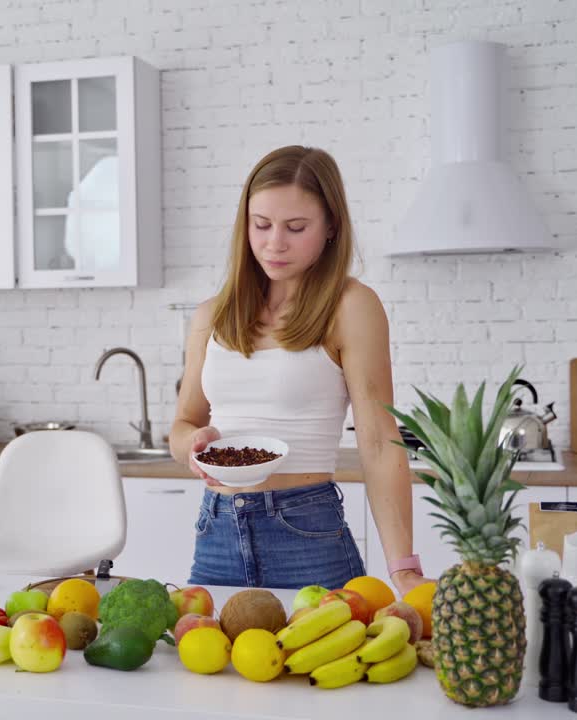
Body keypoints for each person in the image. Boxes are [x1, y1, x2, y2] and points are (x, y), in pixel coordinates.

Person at [169, 145, 428, 596]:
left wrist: (403, 568)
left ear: (331, 227)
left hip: (306, 533)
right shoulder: (212, 315)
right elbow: (183, 425)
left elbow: (378, 443)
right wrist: (193, 447)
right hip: (216, 533)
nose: (275, 243)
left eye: (296, 227)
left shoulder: (351, 307)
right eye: (261, 224)